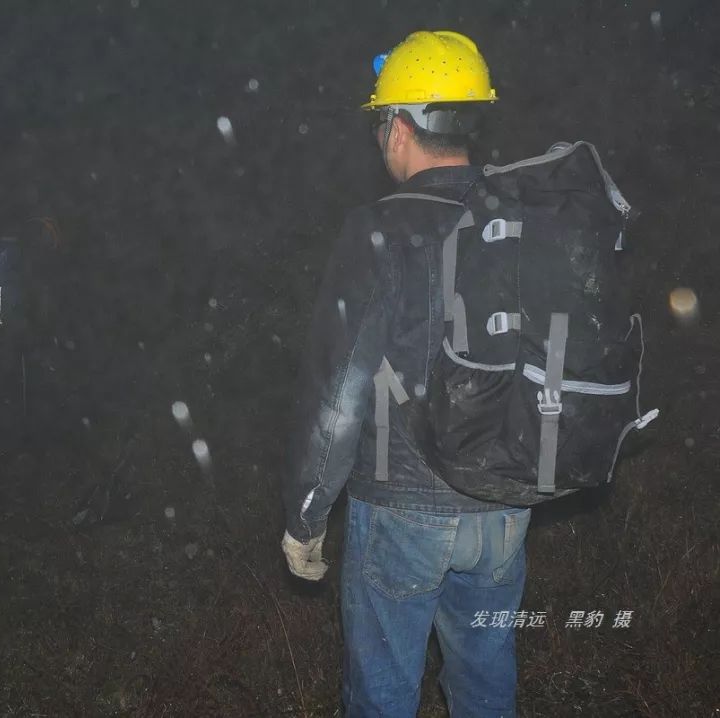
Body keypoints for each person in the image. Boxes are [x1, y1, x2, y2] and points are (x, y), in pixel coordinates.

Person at [281, 31, 529, 717]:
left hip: (402, 509)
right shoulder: (519, 222)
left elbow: (340, 392)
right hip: (506, 502)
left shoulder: (378, 231)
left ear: (398, 127)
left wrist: (306, 511)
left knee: (384, 695)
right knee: (485, 686)